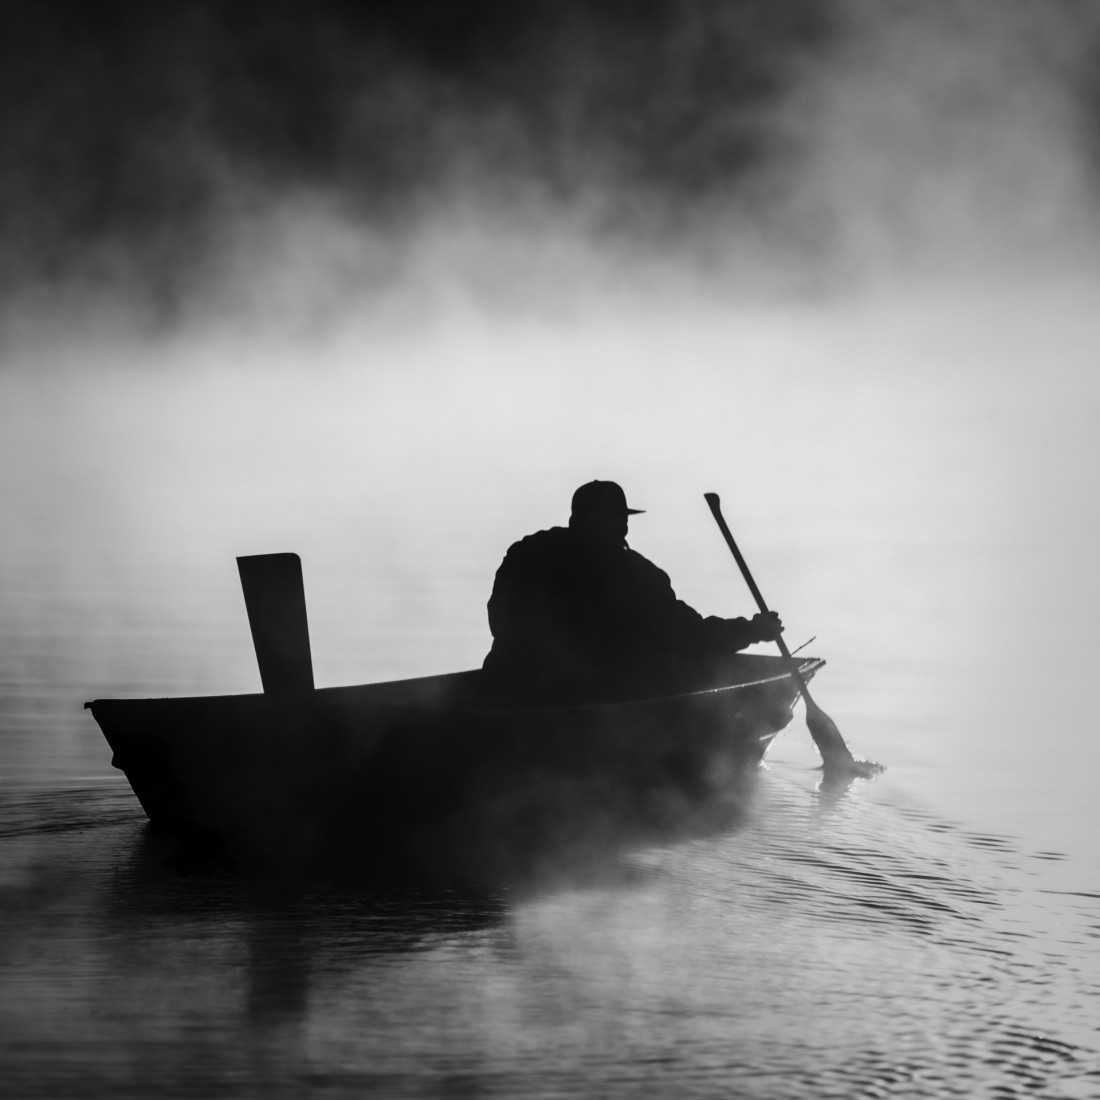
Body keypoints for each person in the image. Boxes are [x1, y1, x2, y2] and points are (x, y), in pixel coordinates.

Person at [482, 480, 783, 704]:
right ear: (621, 525)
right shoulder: (636, 575)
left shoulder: (525, 553)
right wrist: (754, 630)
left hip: (510, 688)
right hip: (600, 702)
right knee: (675, 666)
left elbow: (500, 621)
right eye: (621, 519)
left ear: (575, 518)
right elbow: (689, 637)